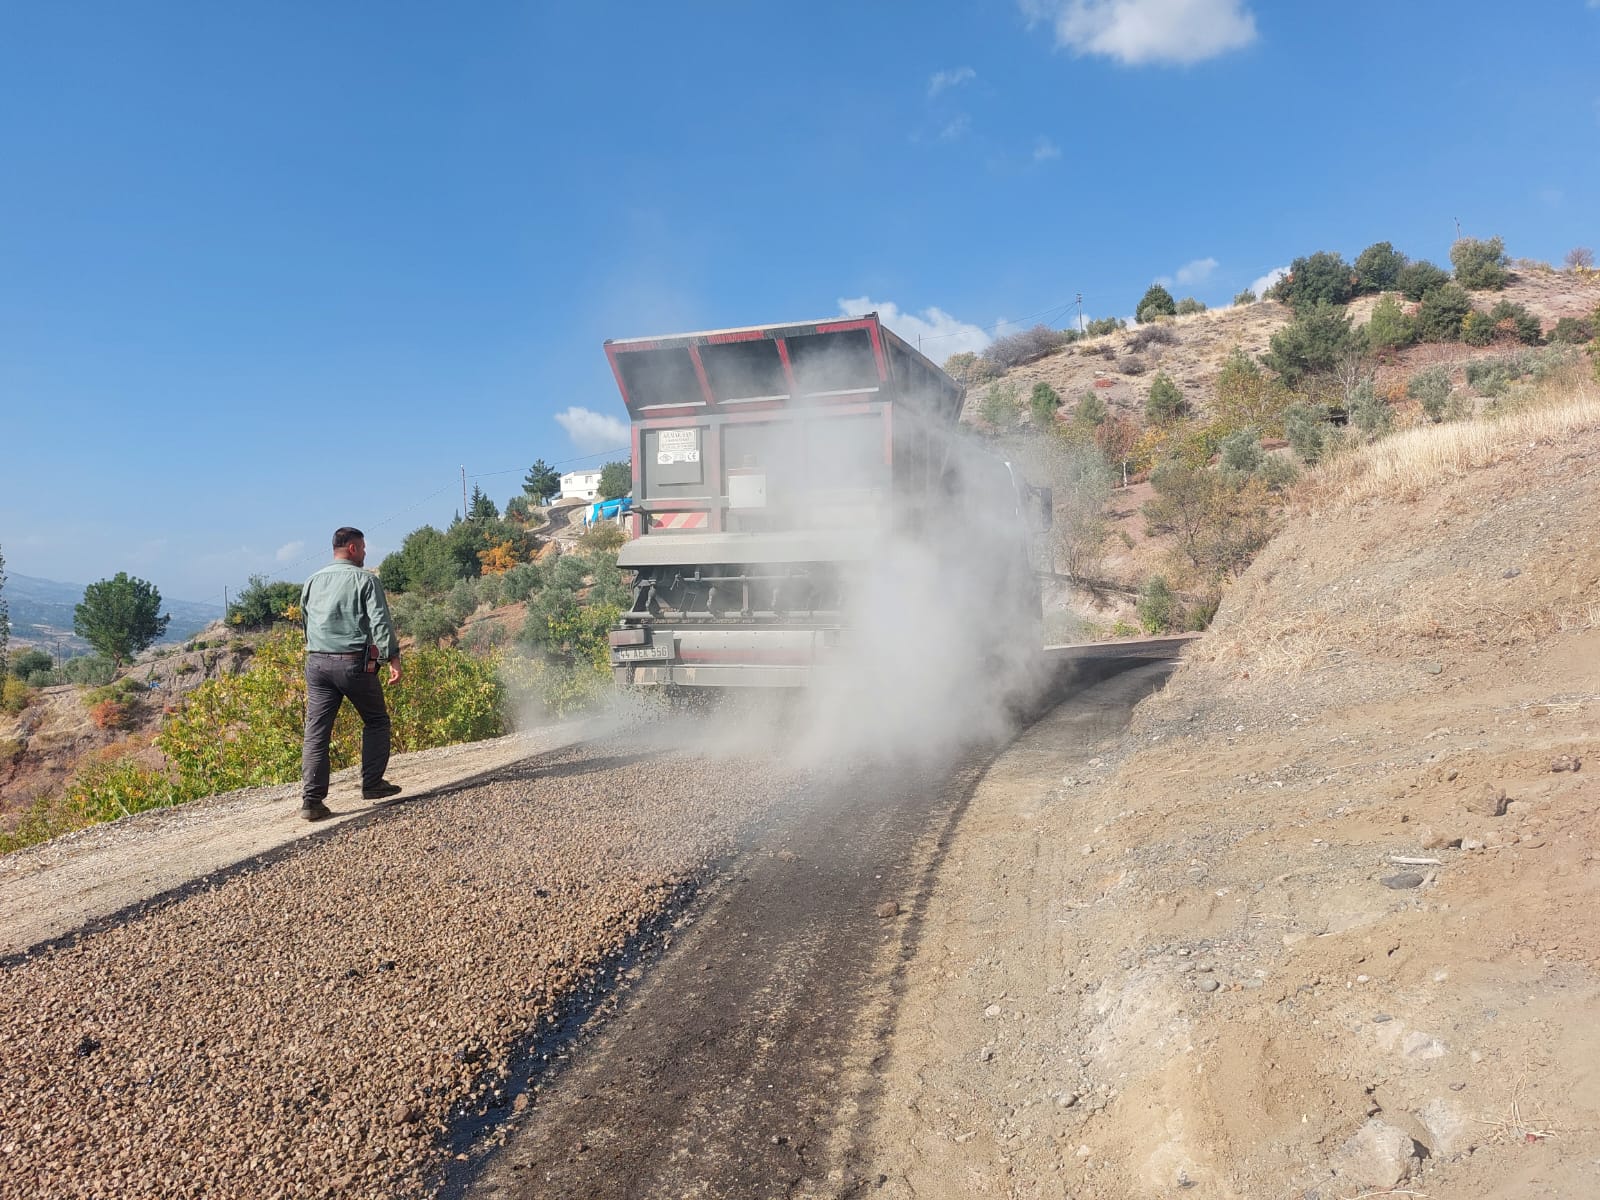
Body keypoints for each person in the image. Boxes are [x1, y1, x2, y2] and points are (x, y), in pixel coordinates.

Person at [298, 527, 403, 820]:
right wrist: (391, 657)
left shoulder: (312, 581)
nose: (366, 553)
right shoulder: (366, 580)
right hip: (353, 663)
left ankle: (311, 801)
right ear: (353, 548)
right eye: (364, 548)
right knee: (377, 720)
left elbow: (306, 622)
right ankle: (372, 785)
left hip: (316, 663)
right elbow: (380, 621)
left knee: (316, 734)